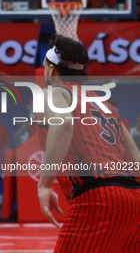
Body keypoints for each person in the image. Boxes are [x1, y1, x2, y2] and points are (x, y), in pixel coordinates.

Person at [37, 34, 140, 252]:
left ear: (51, 70)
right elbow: (136, 160)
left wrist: (44, 185)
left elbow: (63, 123)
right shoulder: (103, 103)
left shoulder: (53, 93)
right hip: (135, 200)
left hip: (99, 198)